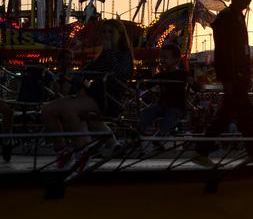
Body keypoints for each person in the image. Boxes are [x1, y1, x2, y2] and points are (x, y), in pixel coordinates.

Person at [41, 19, 134, 169]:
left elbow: (118, 74)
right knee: (47, 110)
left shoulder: (125, 56)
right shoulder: (102, 56)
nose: (106, 35)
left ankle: (82, 147)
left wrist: (109, 50)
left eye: (111, 32)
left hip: (108, 99)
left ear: (120, 35)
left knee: (69, 109)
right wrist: (78, 77)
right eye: (104, 32)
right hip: (92, 95)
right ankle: (62, 149)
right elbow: (87, 70)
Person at [194, 0, 253, 164]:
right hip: (234, 77)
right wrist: (228, 79)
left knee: (233, 114)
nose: (249, 0)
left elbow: (241, 51)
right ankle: (252, 153)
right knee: (241, 115)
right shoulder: (227, 18)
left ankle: (203, 150)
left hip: (239, 77)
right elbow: (223, 52)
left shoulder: (236, 17)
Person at [138, 43, 189, 136]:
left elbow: (191, 82)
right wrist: (141, 82)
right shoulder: (161, 74)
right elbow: (148, 84)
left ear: (176, 59)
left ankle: (161, 136)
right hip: (162, 105)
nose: (162, 60)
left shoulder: (182, 74)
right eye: (161, 57)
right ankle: (139, 132)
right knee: (147, 112)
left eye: (165, 57)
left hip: (176, 107)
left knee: (170, 118)